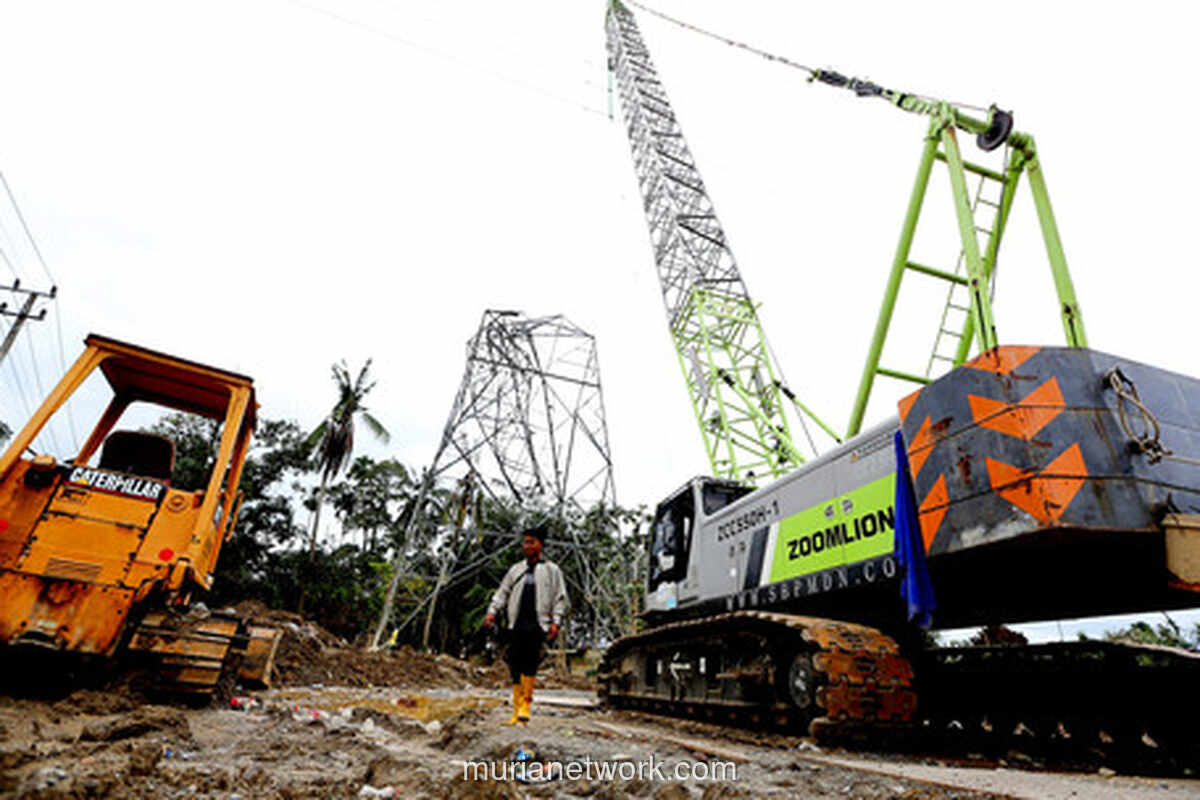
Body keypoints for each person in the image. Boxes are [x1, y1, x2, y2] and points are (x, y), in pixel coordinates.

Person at [483, 524, 567, 725]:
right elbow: (502, 593)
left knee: (530, 663)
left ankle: (526, 706)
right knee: (514, 664)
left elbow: (559, 597)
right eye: (525, 542)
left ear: (540, 545)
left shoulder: (552, 570)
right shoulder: (516, 570)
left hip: (538, 625)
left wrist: (556, 622)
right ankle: (515, 708)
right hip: (516, 624)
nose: (527, 546)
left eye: (532, 542)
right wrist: (492, 612)